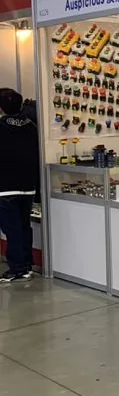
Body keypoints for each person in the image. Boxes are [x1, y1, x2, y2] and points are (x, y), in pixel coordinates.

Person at [0, 88, 39, 282]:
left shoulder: (1, 127)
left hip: (5, 186)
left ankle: (17, 268)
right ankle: (26, 265)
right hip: (28, 185)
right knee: (24, 226)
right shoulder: (31, 126)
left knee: (12, 229)